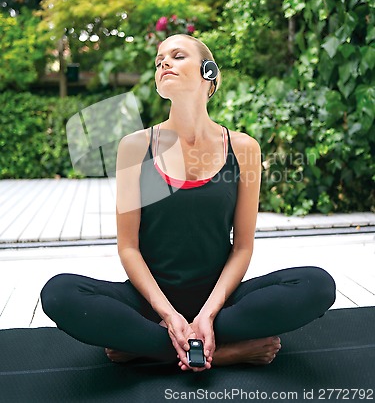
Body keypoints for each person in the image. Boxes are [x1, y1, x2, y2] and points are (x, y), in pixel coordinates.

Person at [41, 34, 336, 372]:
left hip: (222, 303)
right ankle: (219, 352)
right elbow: (128, 248)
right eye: (159, 61)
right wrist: (167, 314)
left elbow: (242, 247)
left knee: (317, 284)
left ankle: (155, 347)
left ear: (208, 72)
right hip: (151, 303)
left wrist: (209, 313)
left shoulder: (243, 149)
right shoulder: (136, 147)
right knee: (60, 293)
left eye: (177, 55)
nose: (164, 62)